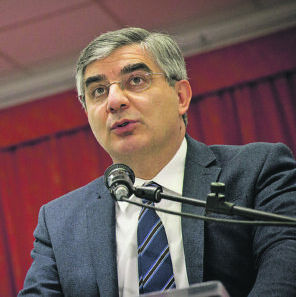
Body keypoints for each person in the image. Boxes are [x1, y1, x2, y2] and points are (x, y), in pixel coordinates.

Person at [18, 27, 296, 296]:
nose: (114, 101)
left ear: (180, 96)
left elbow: (284, 274)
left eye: (136, 80)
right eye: (98, 91)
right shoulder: (60, 222)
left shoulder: (257, 171)